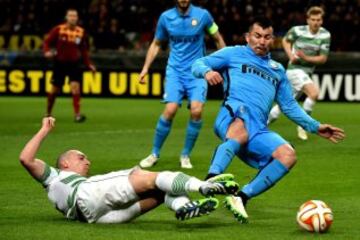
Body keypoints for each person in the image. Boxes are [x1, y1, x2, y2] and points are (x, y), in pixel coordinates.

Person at [192, 16, 345, 223]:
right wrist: (207, 71)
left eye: (266, 37)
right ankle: (210, 180)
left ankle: (241, 197)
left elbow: (289, 106)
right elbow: (198, 63)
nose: (261, 41)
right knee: (242, 124)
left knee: (288, 155)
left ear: (272, 40)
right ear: (247, 37)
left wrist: (315, 127)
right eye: (257, 36)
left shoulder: (277, 70)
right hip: (232, 115)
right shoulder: (232, 53)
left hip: (258, 128)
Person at [19, 117, 239, 223]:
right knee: (142, 175)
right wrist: (43, 130)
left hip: (96, 218)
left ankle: (183, 206)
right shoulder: (55, 177)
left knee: (160, 191)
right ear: (65, 163)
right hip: (86, 196)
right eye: (81, 157)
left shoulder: (55, 184)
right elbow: (25, 159)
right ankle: (204, 186)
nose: (87, 161)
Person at [138, 0, 226, 169]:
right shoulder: (166, 17)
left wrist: (227, 62)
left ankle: (185, 155)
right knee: (170, 110)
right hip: (175, 72)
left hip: (197, 71)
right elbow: (156, 44)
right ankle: (154, 153)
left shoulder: (203, 15)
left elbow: (217, 38)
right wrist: (145, 68)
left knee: (197, 110)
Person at [267, 6, 331, 140]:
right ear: (308, 20)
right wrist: (291, 55)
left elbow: (323, 59)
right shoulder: (297, 30)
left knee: (284, 104)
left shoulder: (325, 35)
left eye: (318, 20)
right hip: (294, 70)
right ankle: (303, 126)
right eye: (313, 19)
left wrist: (305, 57)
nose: (315, 22)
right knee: (313, 93)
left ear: (322, 21)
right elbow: (285, 40)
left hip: (307, 72)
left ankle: (261, 124)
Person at [43, 9, 96, 123]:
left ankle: (77, 115)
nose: (73, 18)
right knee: (54, 90)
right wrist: (46, 51)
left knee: (75, 88)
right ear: (66, 17)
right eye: (70, 16)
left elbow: (84, 50)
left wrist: (89, 64)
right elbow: (47, 42)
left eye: (75, 16)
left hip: (74, 64)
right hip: (59, 63)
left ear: (77, 18)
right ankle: (48, 112)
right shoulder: (58, 29)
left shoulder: (81, 32)